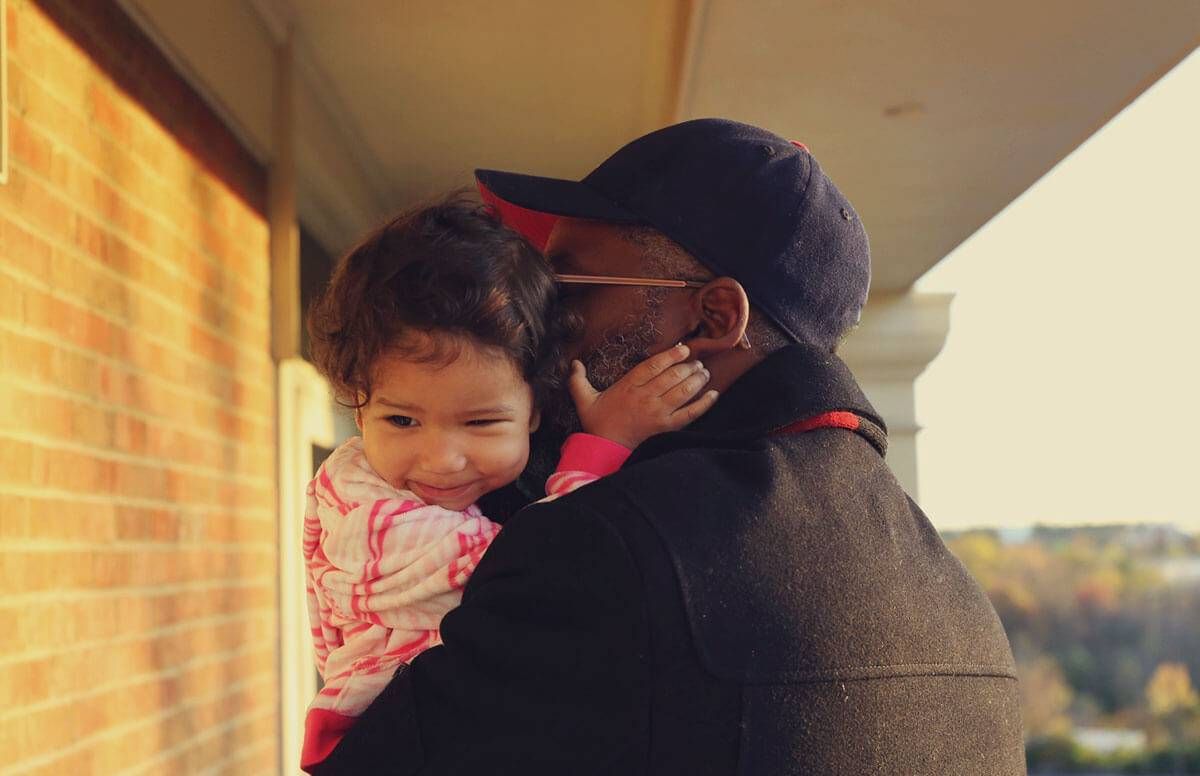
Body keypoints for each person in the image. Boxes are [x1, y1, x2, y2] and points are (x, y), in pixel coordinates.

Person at [311, 119, 1026, 774]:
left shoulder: (607, 545)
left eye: (567, 288)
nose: (542, 328)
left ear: (713, 315)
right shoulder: (963, 605)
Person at [300, 197, 718, 771]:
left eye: (481, 422)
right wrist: (605, 446)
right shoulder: (359, 503)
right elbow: (539, 575)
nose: (442, 460)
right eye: (401, 420)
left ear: (536, 412)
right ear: (358, 406)